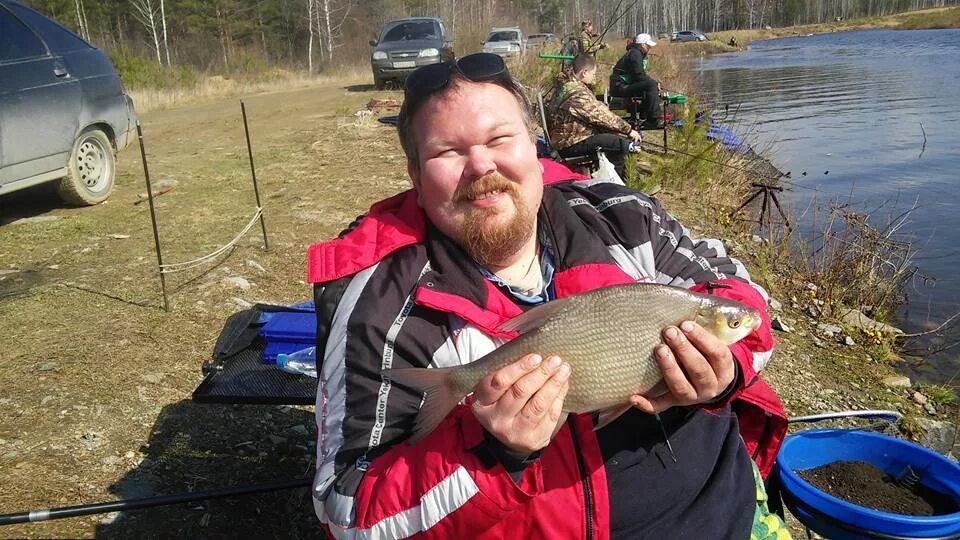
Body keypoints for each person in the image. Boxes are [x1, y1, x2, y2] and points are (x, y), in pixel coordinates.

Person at [308, 52, 788, 538]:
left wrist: (725, 374)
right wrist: (493, 451)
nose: (480, 165)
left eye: (499, 139)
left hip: (728, 507)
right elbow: (347, 513)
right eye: (447, 152)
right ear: (415, 176)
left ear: (534, 147)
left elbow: (743, 302)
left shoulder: (625, 217)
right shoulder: (381, 309)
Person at [544, 54, 641, 180]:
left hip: (569, 138)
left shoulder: (566, 86)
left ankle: (623, 179)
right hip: (570, 143)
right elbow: (600, 116)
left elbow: (593, 110)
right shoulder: (576, 92)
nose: (594, 78)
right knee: (619, 144)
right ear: (584, 72)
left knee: (614, 138)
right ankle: (618, 185)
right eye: (593, 74)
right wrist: (628, 129)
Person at [610, 33, 663, 130]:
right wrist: (655, 83)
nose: (650, 48)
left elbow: (638, 76)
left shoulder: (635, 53)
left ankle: (645, 115)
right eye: (648, 45)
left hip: (623, 85)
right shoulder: (635, 54)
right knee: (651, 85)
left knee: (649, 85)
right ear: (642, 45)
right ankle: (653, 120)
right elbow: (639, 75)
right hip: (619, 87)